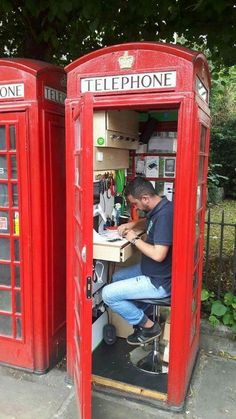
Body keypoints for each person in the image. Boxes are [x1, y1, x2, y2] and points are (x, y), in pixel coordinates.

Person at [102, 177, 173, 346]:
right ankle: (143, 314)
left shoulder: (164, 216)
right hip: (153, 270)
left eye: (135, 204)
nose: (135, 208)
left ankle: (149, 327)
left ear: (145, 198)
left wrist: (133, 239)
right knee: (118, 277)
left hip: (160, 281)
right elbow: (148, 221)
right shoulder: (160, 207)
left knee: (107, 294)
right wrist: (133, 224)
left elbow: (158, 254)